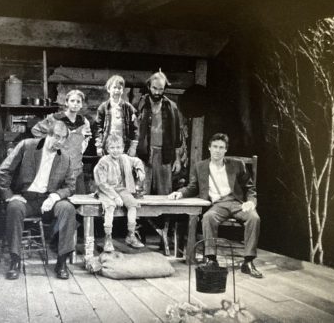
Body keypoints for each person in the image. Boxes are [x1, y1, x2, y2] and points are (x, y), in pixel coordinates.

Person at [168, 133, 263, 278]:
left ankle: (248, 262)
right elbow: (193, 187)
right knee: (208, 217)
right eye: (215, 147)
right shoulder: (200, 167)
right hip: (217, 205)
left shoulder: (237, 165)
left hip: (236, 202)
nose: (217, 150)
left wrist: (251, 201)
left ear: (226, 150)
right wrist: (180, 193)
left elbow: (250, 188)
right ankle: (211, 260)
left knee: (254, 218)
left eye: (221, 147)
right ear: (209, 148)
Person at [0, 120, 77, 280]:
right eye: (57, 137)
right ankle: (15, 261)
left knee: (67, 209)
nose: (60, 142)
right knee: (14, 207)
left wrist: (55, 196)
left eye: (63, 138)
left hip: (49, 201)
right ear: (48, 134)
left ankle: (62, 262)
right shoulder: (27, 146)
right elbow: (4, 170)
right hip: (26, 199)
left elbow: (70, 186)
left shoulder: (65, 158)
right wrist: (9, 195)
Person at [135, 71, 185, 253]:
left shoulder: (171, 107)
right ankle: (139, 235)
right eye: (154, 88)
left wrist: (177, 159)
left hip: (165, 155)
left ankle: (166, 239)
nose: (157, 92)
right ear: (149, 87)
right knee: (141, 194)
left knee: (165, 195)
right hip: (144, 155)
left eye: (161, 89)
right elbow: (134, 131)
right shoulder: (140, 104)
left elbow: (178, 136)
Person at [93, 133, 146, 252]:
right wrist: (115, 197)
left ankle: (131, 235)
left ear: (122, 148)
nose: (115, 151)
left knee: (133, 205)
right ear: (107, 149)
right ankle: (108, 238)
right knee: (110, 206)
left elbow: (137, 161)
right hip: (106, 190)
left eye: (118, 147)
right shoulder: (103, 162)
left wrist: (140, 170)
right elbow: (101, 183)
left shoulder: (125, 158)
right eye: (112, 148)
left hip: (121, 189)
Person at [32, 89, 92, 193]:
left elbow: (87, 138)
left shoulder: (84, 122)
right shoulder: (55, 118)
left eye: (78, 101)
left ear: (82, 104)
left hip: (76, 167)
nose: (75, 104)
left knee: (80, 197)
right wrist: (50, 144)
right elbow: (36, 130)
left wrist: (80, 148)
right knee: (57, 196)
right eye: (72, 101)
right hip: (58, 167)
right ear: (66, 103)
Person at [94, 74, 138, 157]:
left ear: (123, 90)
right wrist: (99, 146)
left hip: (123, 145)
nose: (117, 90)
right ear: (108, 89)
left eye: (119, 88)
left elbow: (135, 128)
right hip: (108, 145)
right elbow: (98, 128)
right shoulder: (103, 107)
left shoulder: (128, 108)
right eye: (114, 87)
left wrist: (133, 147)